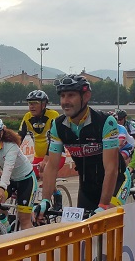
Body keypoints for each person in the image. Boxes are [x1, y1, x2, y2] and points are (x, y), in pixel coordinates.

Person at [35, 75, 128, 216]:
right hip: (87, 186)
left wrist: (103, 205)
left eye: (71, 95)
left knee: (107, 224)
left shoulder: (105, 122)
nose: (65, 101)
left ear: (86, 96)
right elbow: (52, 166)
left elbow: (111, 169)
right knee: (83, 233)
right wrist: (45, 201)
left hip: (116, 182)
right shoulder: (58, 125)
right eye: (63, 96)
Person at [17, 90, 64, 172]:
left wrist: (46, 159)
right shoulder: (27, 116)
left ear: (44, 104)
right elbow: (19, 137)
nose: (32, 106)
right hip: (38, 157)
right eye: (30, 103)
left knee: (45, 173)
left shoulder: (53, 115)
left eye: (35, 103)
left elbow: (53, 139)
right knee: (28, 177)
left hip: (55, 155)